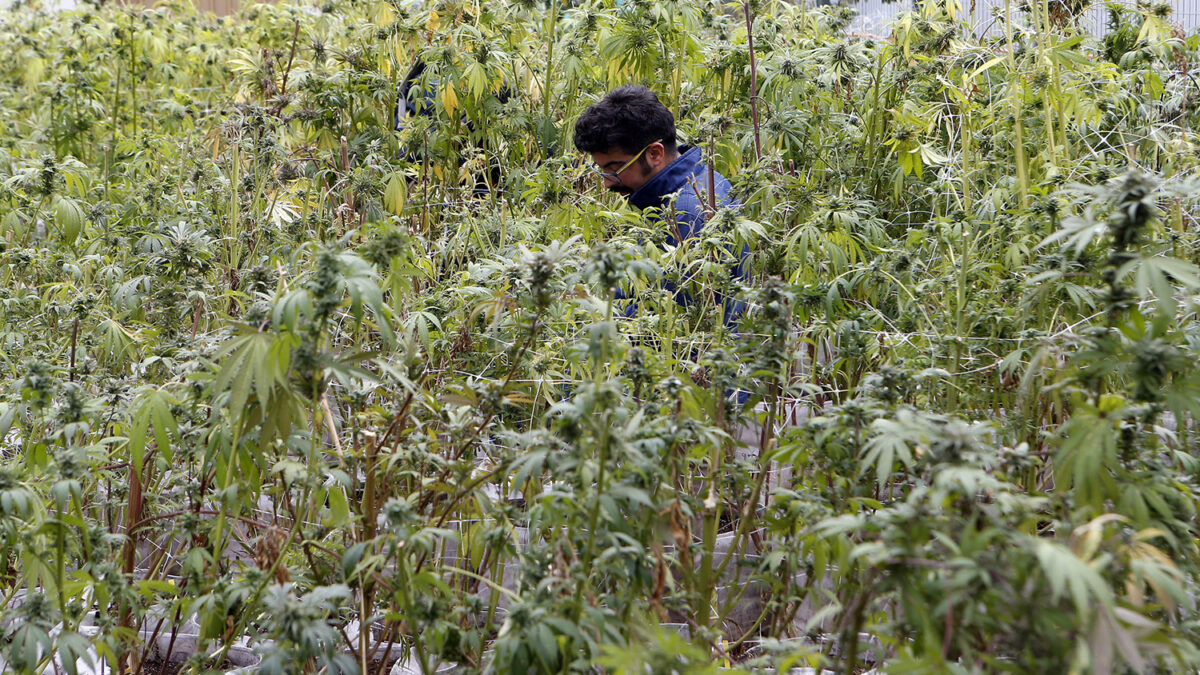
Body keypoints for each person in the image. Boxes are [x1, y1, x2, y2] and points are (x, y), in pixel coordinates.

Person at [573, 85, 748, 325]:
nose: (606, 183)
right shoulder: (701, 178)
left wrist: (588, 308)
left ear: (655, 153)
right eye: (601, 170)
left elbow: (672, 324)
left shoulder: (686, 214)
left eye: (614, 169)